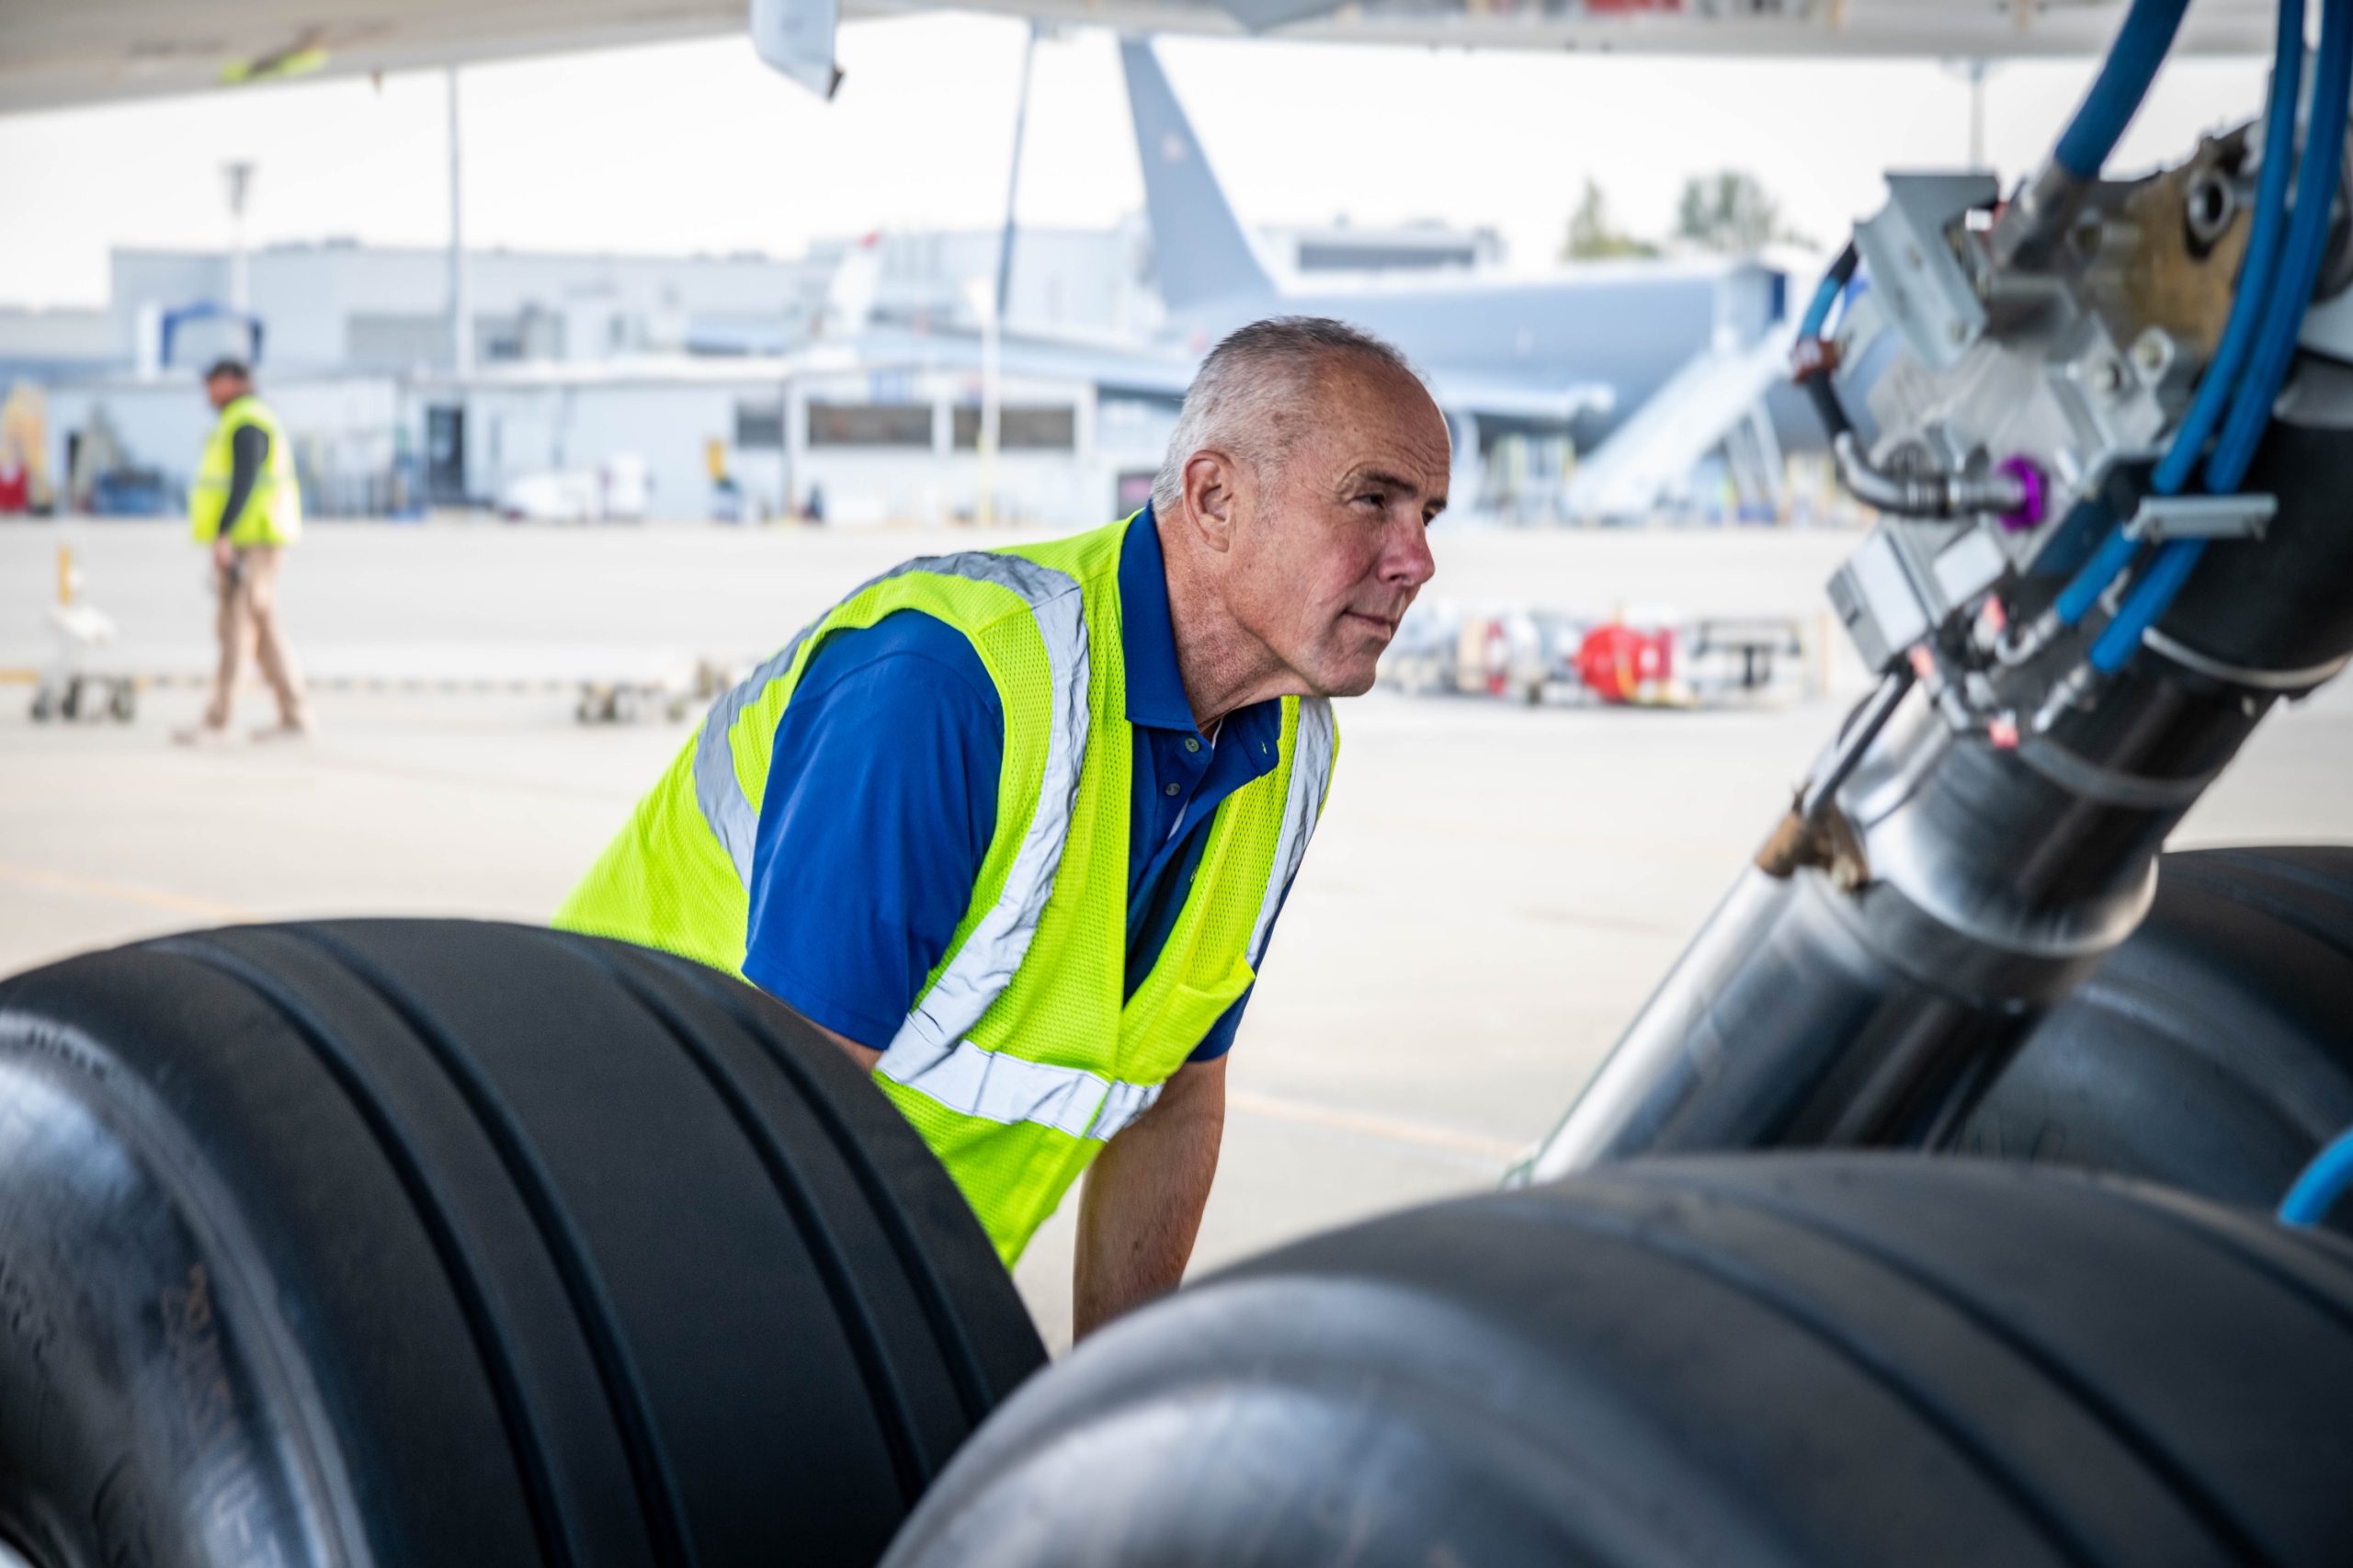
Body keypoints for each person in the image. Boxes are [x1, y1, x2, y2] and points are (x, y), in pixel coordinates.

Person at [556, 316, 1445, 1335]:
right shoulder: (952, 684)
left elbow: (1178, 1097)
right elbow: (789, 1123)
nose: (1415, 558)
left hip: (880, 1292)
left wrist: (1110, 1400)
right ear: (1213, 498)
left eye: (1427, 513)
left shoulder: (1285, 750)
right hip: (608, 1251)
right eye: (1372, 498)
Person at [176, 358, 310, 744]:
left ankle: (218, 720)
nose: (208, 392)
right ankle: (295, 715)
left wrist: (224, 535)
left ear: (233, 382)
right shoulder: (242, 418)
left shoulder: (247, 420)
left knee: (235, 628)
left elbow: (244, 480)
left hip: (251, 543)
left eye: (212, 382)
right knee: (264, 632)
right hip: (254, 540)